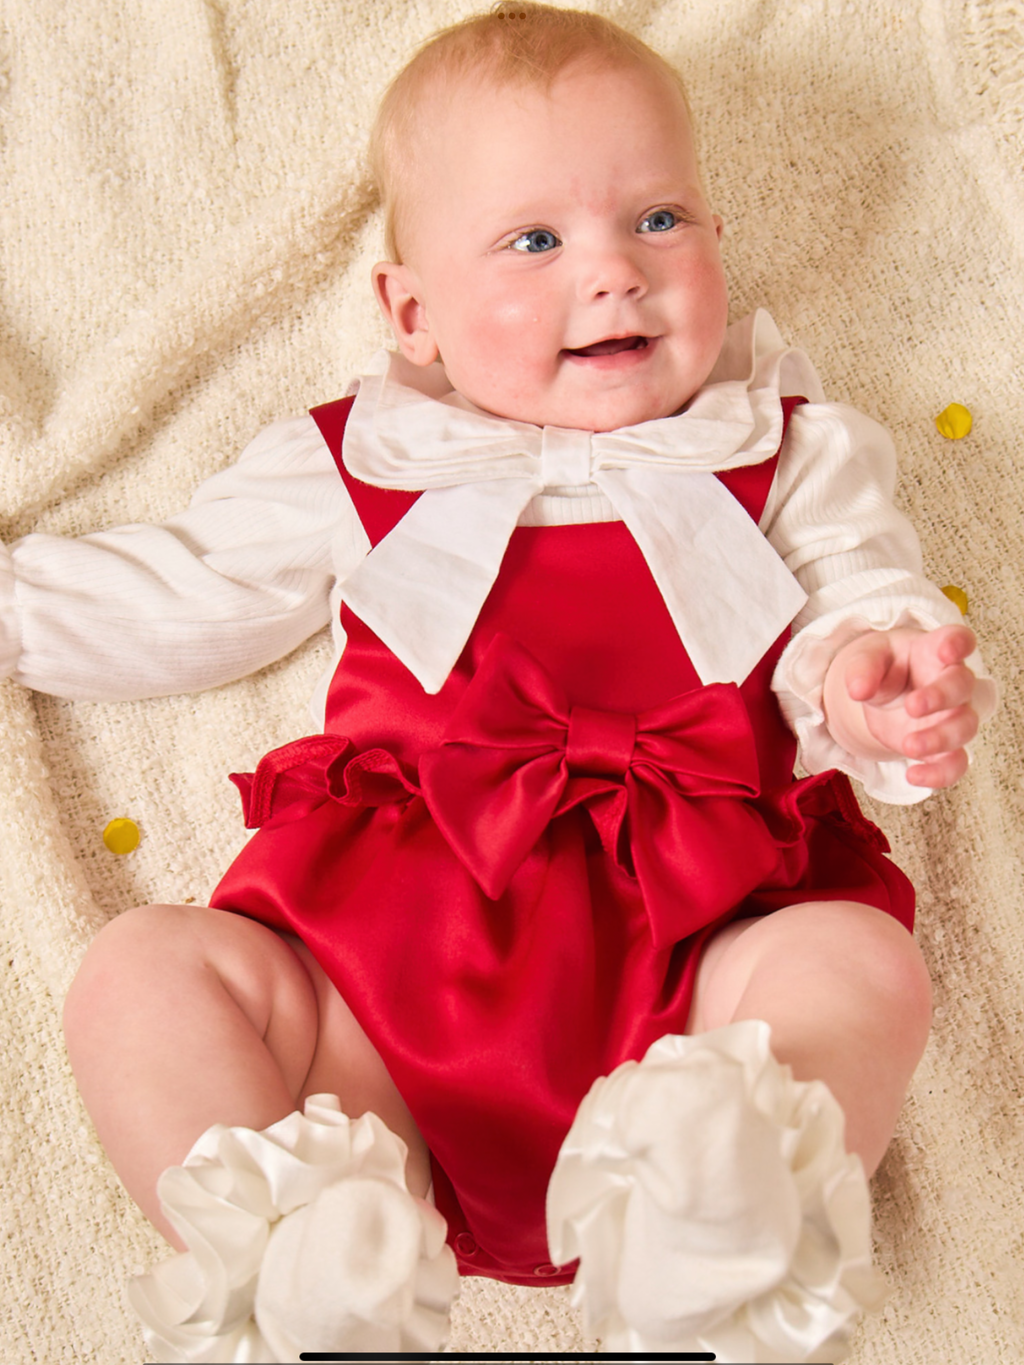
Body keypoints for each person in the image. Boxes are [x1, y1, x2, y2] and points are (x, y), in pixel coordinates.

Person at [3, 3, 994, 1361]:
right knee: (141, 974)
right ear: (414, 309)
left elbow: (861, 596)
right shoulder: (361, 462)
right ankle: (303, 1259)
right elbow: (173, 595)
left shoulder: (791, 447)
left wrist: (873, 683)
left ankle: (719, 1213)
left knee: (859, 964)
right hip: (373, 1014)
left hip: (699, 964)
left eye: (660, 221)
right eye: (536, 241)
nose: (615, 275)